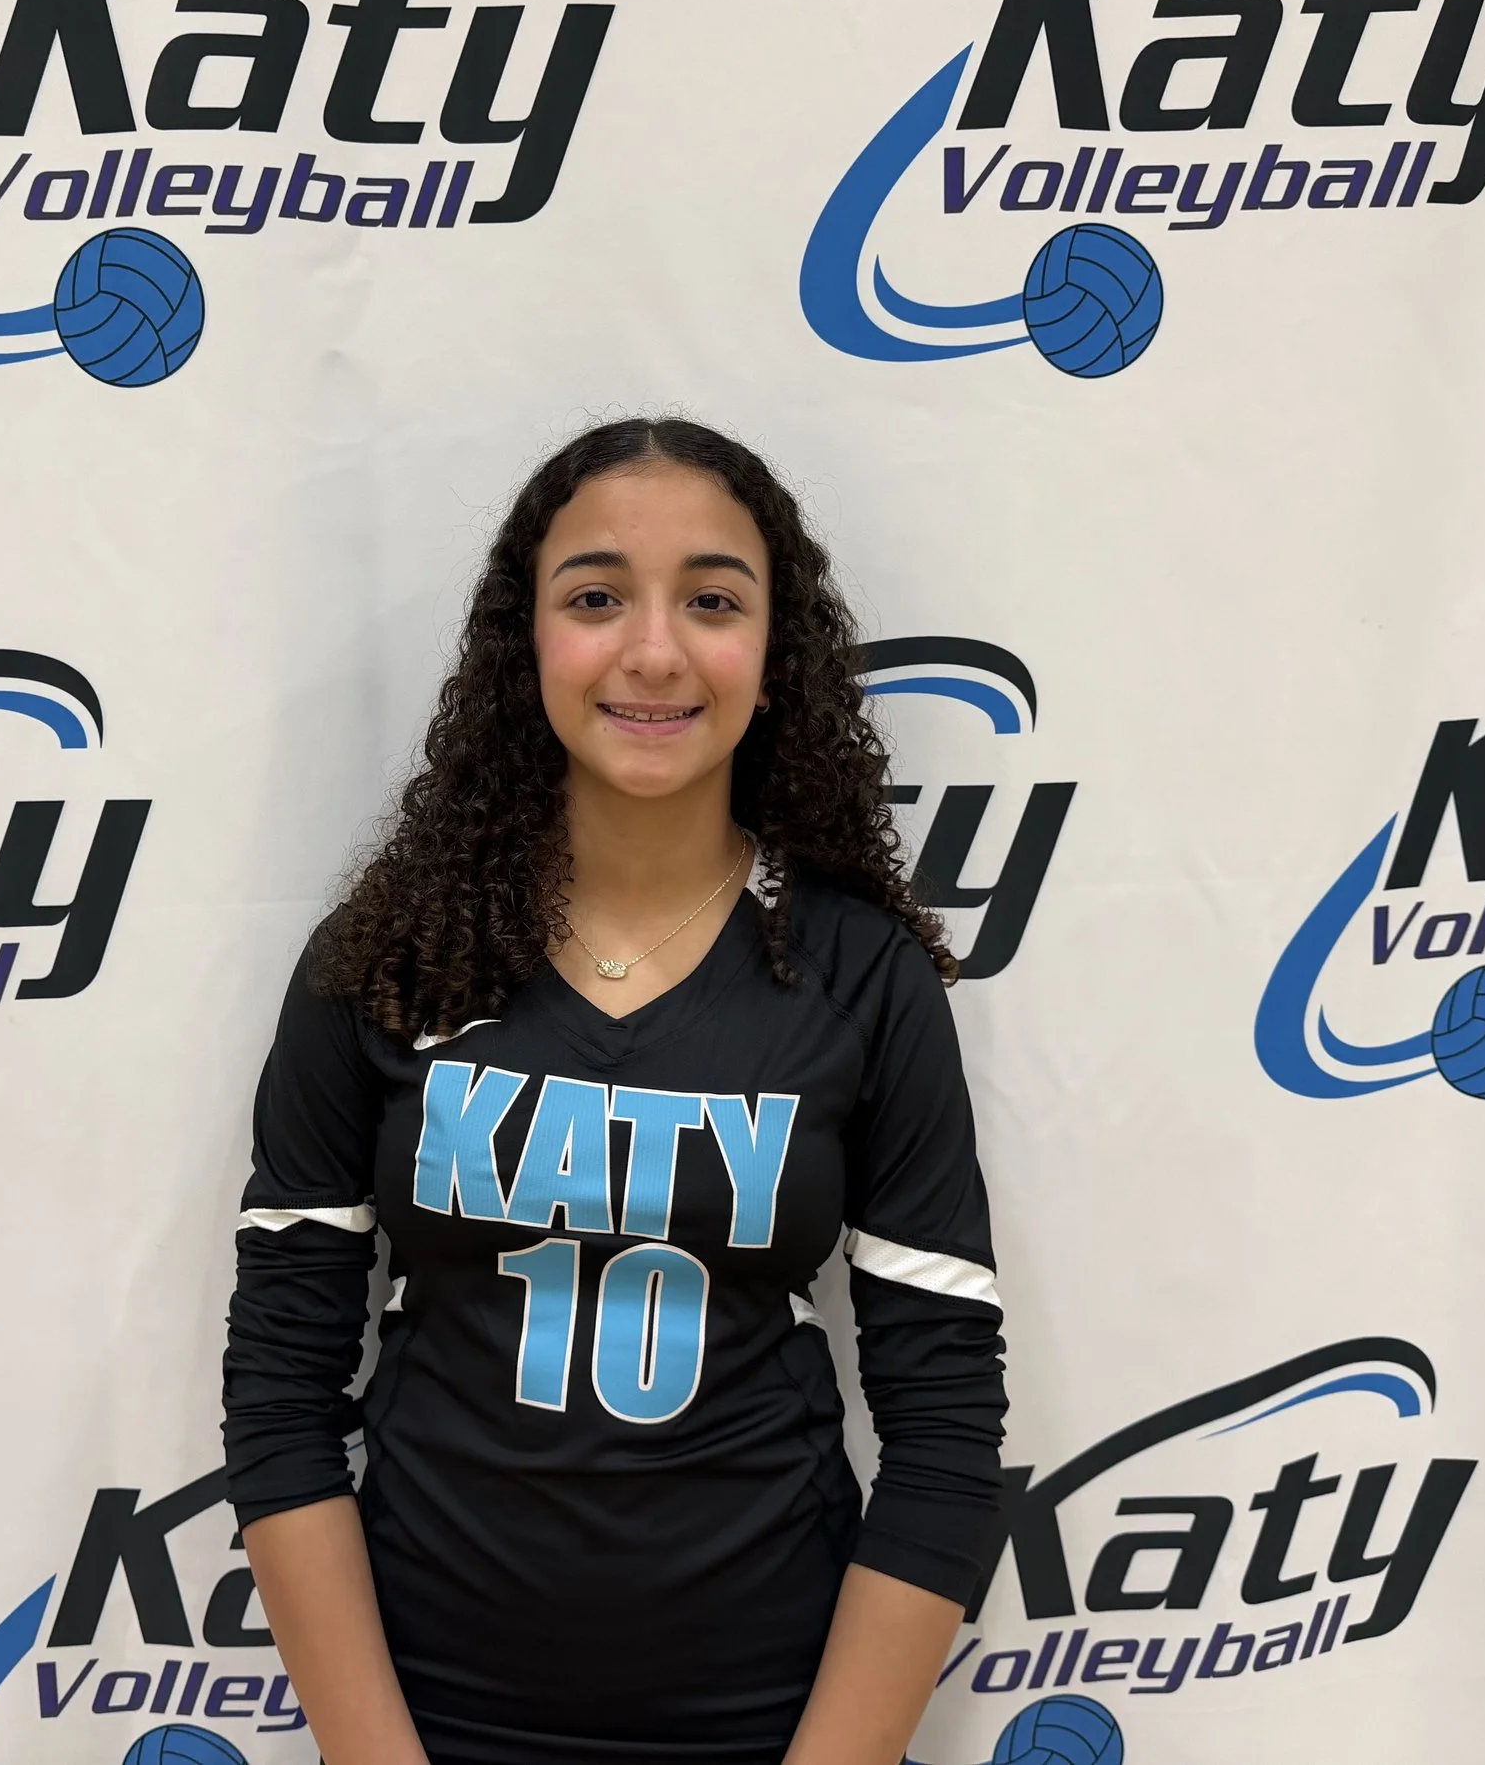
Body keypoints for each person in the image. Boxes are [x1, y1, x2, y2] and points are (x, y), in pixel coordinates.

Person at [221, 417, 1008, 1765]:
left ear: (777, 651)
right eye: (595, 598)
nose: (653, 650)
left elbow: (944, 1432)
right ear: (524, 641)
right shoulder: (390, 956)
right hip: (429, 1721)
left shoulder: (860, 977)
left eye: (713, 600)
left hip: (772, 1721)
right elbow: (281, 1391)